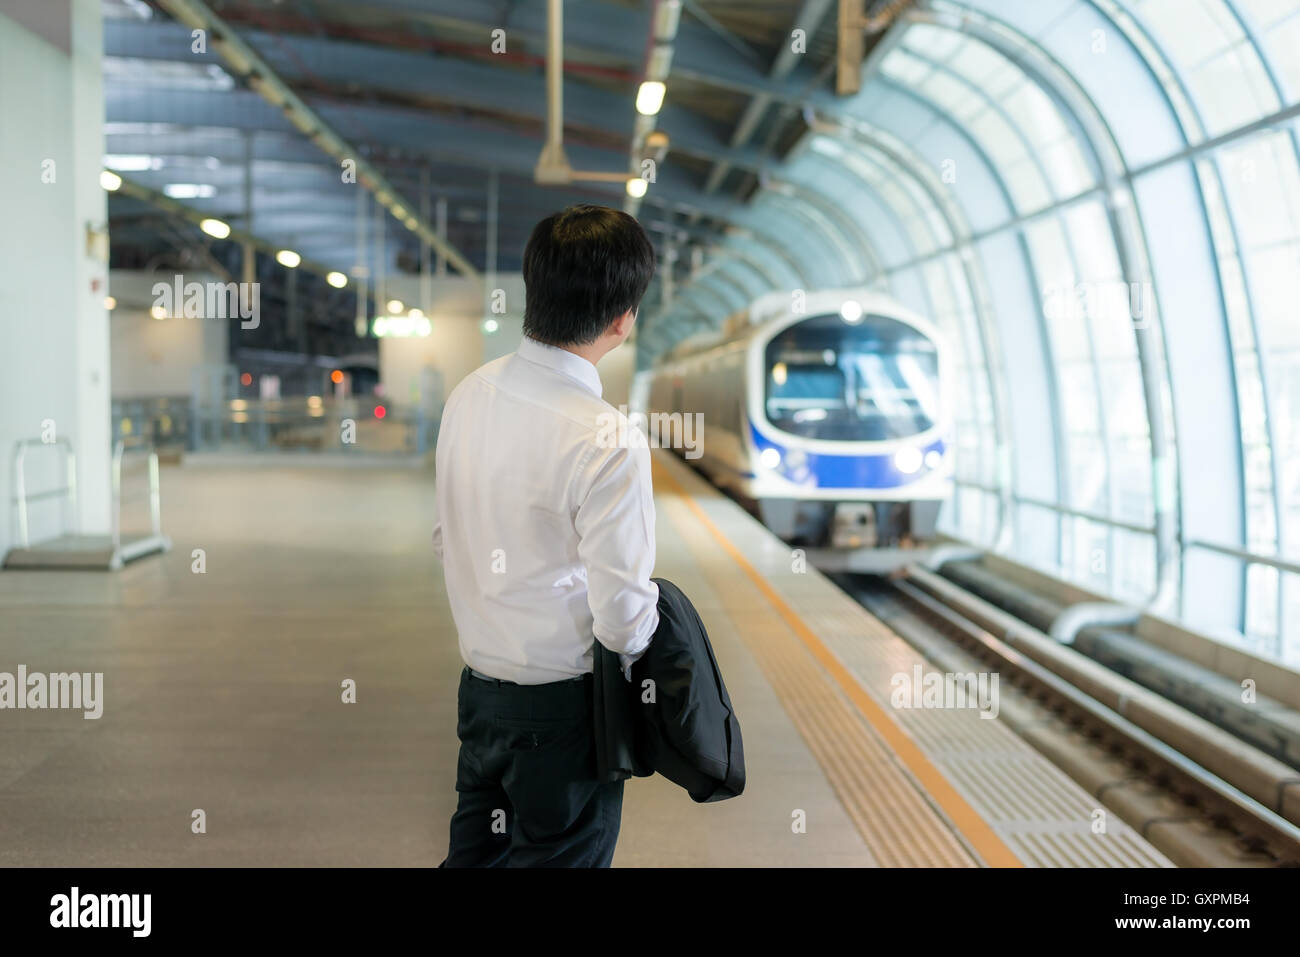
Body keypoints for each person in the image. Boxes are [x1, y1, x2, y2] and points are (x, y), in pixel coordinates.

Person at [433, 204, 660, 867]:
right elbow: (621, 620)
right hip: (564, 713)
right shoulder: (607, 438)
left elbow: (447, 540)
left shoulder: (467, 396)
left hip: (481, 695)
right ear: (622, 320)